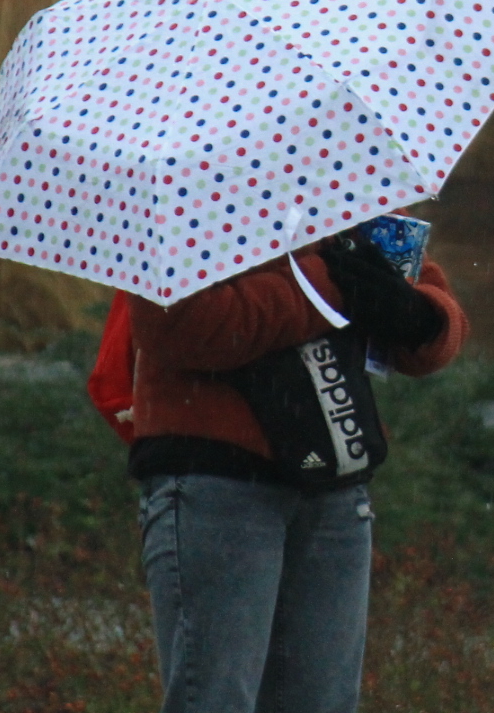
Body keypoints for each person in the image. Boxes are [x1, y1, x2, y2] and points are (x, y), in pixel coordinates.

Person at [128, 233, 468, 713]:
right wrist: (328, 284)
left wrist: (418, 316)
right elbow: (178, 326)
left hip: (334, 481)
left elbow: (434, 324)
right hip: (216, 482)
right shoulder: (182, 200)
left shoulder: (344, 193)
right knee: (214, 699)